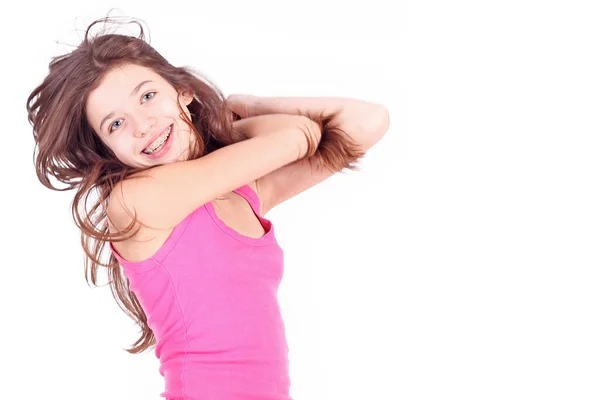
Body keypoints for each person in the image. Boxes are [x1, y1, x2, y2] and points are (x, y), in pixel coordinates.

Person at [26, 16, 390, 400]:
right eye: (116, 124)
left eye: (148, 97)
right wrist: (235, 124)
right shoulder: (135, 203)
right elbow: (298, 136)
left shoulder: (241, 193)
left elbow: (367, 121)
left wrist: (246, 106)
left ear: (182, 90)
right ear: (108, 151)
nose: (143, 125)